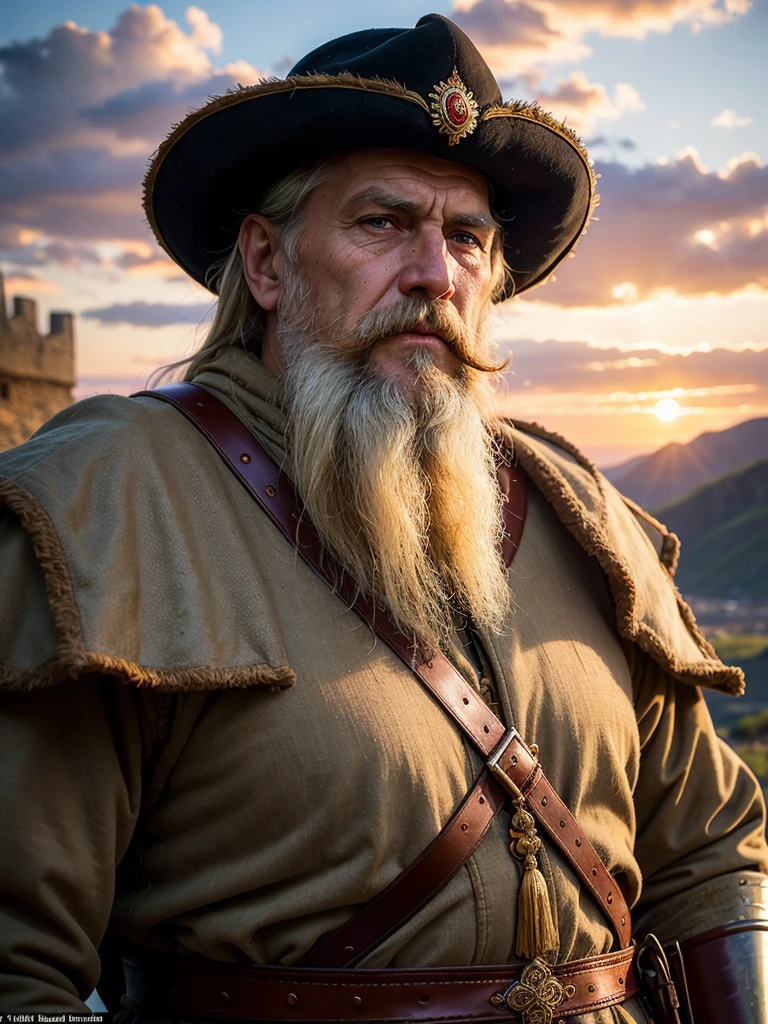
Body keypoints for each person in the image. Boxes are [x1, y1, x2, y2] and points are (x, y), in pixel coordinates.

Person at [1, 13, 766, 1024]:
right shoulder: (101, 509)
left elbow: (712, 857)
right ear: (266, 265)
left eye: (466, 239)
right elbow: (17, 962)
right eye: (382, 222)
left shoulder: (591, 520)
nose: (433, 276)